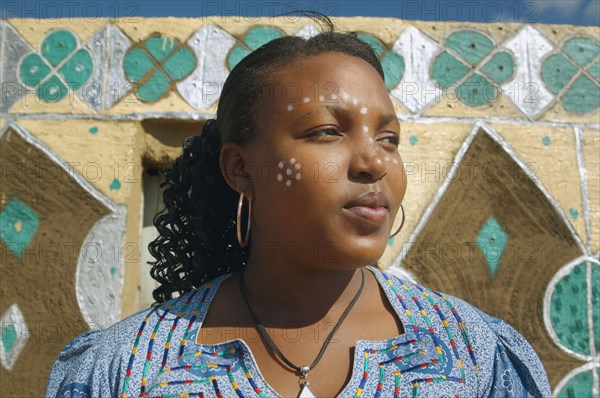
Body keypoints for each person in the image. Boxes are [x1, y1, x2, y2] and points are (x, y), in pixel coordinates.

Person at [47, 15, 550, 398]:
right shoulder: (125, 368)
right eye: (327, 131)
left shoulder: (472, 355)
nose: (375, 160)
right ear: (241, 169)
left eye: (390, 137)